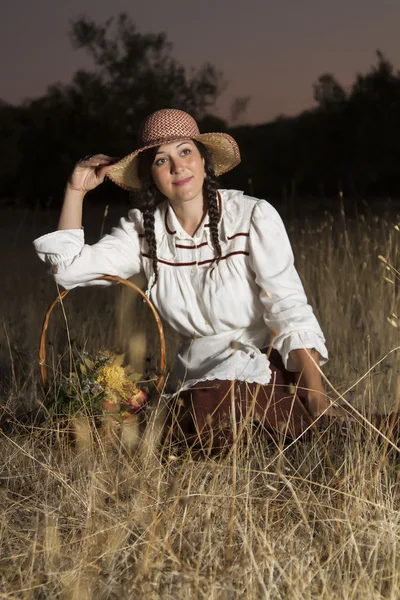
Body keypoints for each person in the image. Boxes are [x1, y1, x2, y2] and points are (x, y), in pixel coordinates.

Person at [34, 108, 340, 452]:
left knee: (226, 410)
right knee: (187, 414)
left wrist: (315, 397)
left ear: (204, 161)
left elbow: (289, 309)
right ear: (151, 177)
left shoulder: (252, 216)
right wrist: (75, 190)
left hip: (260, 367)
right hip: (193, 380)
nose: (178, 167)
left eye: (185, 152)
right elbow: (69, 269)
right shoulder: (143, 232)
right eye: (161, 160)